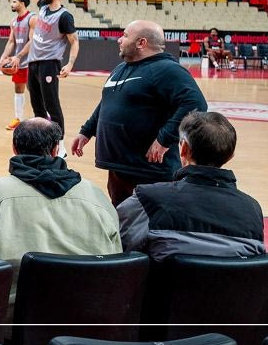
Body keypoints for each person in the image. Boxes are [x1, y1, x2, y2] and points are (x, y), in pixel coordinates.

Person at [0, 118, 121, 314]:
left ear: (14, 148)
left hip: (13, 318)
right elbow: (116, 258)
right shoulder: (97, 197)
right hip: (87, 315)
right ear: (55, 150)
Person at [71, 20, 208, 206]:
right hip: (120, 167)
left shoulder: (167, 69)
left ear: (141, 43)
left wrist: (165, 139)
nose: (119, 40)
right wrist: (86, 131)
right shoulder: (121, 68)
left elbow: (196, 104)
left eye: (125, 35)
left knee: (151, 220)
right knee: (123, 218)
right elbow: (107, 102)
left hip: (149, 171)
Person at [118, 112, 265, 261]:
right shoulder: (252, 209)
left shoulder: (148, 199)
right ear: (231, 155)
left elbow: (117, 249)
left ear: (184, 148)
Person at [3, 0, 79, 147]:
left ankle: (59, 145)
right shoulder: (43, 7)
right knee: (37, 105)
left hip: (49, 64)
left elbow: (74, 41)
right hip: (33, 62)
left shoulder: (65, 16)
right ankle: (42, 142)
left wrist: (70, 64)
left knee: (52, 105)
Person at [0, 0, 33, 131]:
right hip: (18, 62)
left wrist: (19, 56)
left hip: (32, 60)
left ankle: (44, 116)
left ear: (22, 3)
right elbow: (11, 42)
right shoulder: (13, 21)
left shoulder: (32, 18)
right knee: (18, 89)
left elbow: (33, 41)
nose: (11, 4)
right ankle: (18, 119)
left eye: (14, 2)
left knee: (34, 90)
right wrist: (3, 57)